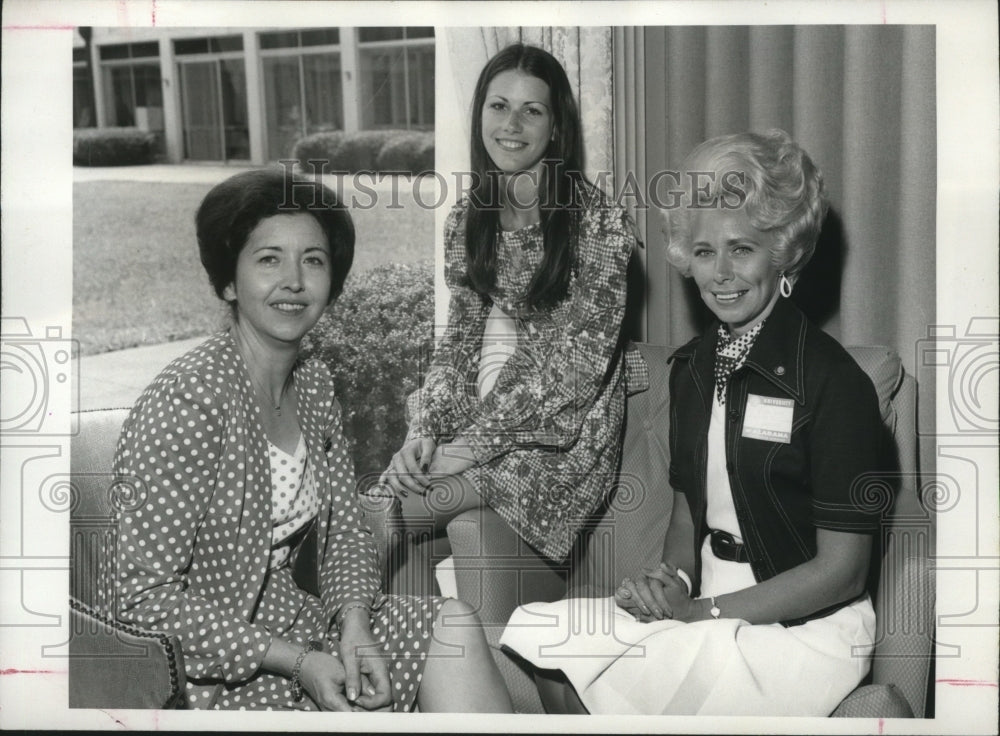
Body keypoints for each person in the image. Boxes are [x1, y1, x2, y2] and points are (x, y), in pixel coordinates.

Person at [500, 130, 886, 716]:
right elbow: (688, 510)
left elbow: (842, 572)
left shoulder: (837, 384)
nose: (721, 274)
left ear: (783, 251)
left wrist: (698, 612)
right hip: (709, 599)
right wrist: (671, 582)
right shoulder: (694, 368)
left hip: (804, 627)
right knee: (546, 639)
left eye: (743, 249)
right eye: (704, 252)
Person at [111, 168, 512, 713]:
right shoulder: (189, 402)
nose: (294, 281)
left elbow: (345, 530)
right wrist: (298, 663)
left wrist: (354, 623)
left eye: (314, 260)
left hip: (299, 625)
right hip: (210, 669)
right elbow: (142, 603)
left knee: (452, 625)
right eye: (269, 258)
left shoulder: (315, 385)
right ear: (229, 281)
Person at [381, 43, 640, 584]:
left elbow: (573, 371)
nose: (512, 124)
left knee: (386, 512)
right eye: (498, 106)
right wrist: (425, 431)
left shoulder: (599, 223)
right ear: (479, 114)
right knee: (387, 497)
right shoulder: (467, 219)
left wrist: (465, 450)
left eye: (532, 110)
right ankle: (400, 656)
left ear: (556, 129)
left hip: (562, 440)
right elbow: (457, 344)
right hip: (486, 424)